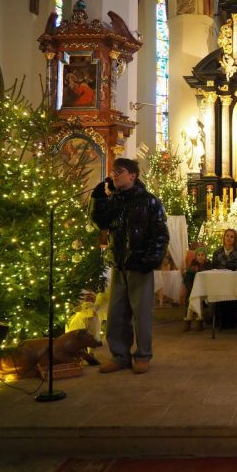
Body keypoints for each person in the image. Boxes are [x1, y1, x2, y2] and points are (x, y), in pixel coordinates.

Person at [91, 158, 169, 375]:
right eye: (113, 172)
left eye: (120, 172)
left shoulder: (150, 201)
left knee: (141, 315)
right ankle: (120, 356)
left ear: (133, 175)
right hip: (119, 264)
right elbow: (100, 222)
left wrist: (151, 260)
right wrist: (98, 199)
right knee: (116, 314)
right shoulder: (113, 200)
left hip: (140, 264)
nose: (115, 175)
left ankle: (143, 356)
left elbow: (160, 234)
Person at [211, 229, 237, 329]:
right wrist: (229, 266)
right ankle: (220, 321)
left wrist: (229, 266)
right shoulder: (217, 252)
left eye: (232, 236)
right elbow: (214, 266)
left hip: (235, 282)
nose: (229, 238)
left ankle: (232, 321)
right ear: (224, 237)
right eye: (227, 236)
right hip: (220, 282)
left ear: (235, 239)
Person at [182, 247, 212, 332]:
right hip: (193, 289)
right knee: (191, 305)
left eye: (202, 255)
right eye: (198, 255)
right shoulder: (192, 267)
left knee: (200, 305)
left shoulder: (208, 265)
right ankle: (188, 322)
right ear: (196, 256)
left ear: (205, 256)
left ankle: (199, 322)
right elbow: (187, 280)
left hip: (204, 289)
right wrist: (191, 289)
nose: (200, 257)